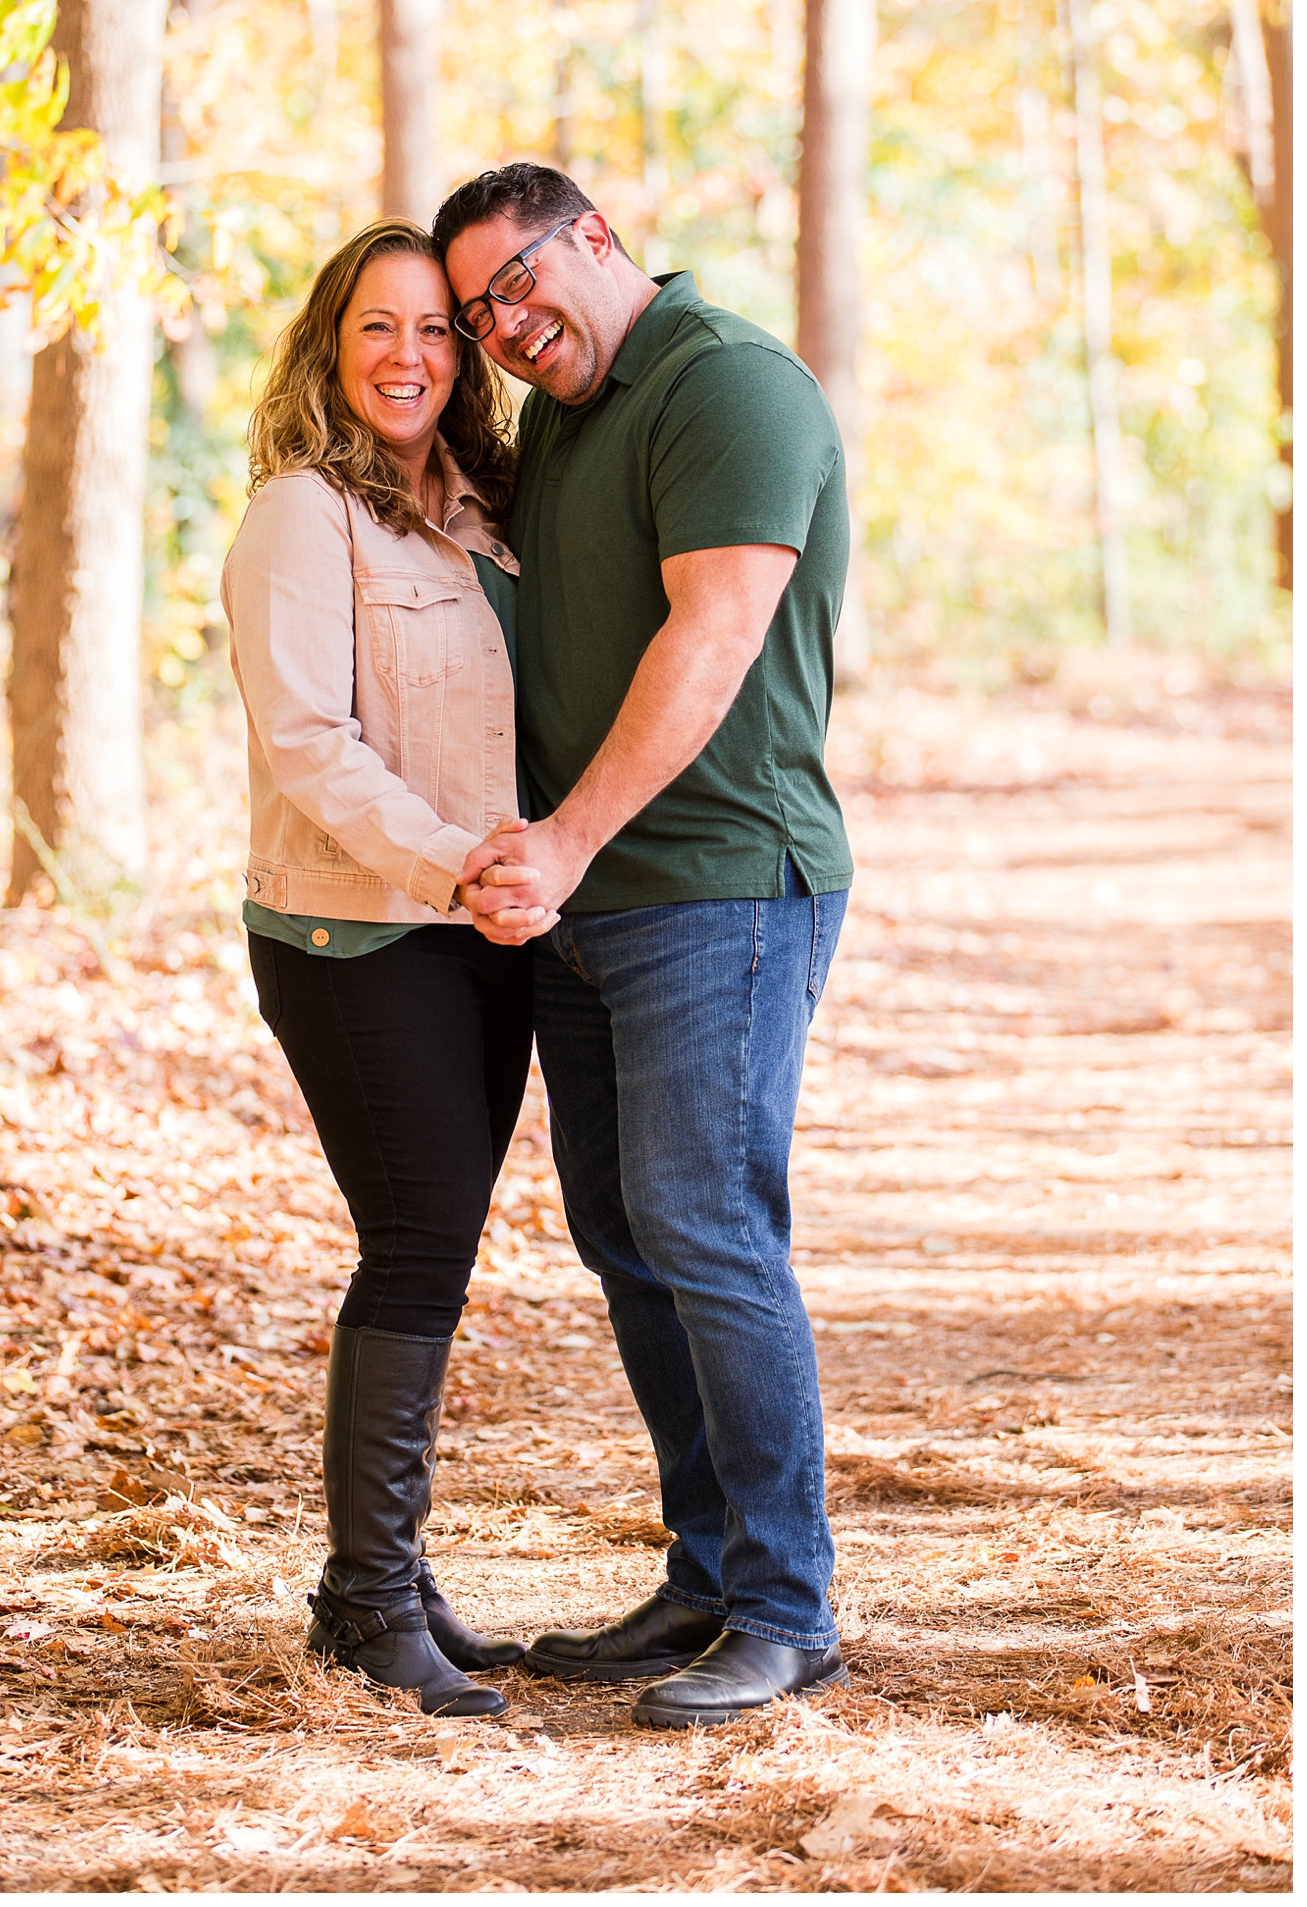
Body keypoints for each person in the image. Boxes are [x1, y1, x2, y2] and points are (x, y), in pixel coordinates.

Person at [434, 164, 855, 1729]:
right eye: (480, 313)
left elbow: (716, 632)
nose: (506, 325)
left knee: (709, 1229)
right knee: (630, 1242)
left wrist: (567, 838)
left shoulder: (732, 387)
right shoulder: (563, 415)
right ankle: (707, 1572)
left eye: (520, 282)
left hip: (724, 889)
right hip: (590, 907)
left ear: (596, 237)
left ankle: (786, 1607)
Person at [220, 220, 554, 1721]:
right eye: (376, 327)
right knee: (416, 1244)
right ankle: (365, 1605)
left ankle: (388, 1581)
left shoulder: (485, 516)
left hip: (476, 930)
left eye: (434, 328)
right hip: (356, 930)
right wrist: (453, 867)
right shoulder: (305, 515)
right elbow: (306, 745)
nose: (408, 355)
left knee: (436, 1241)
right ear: (329, 345)